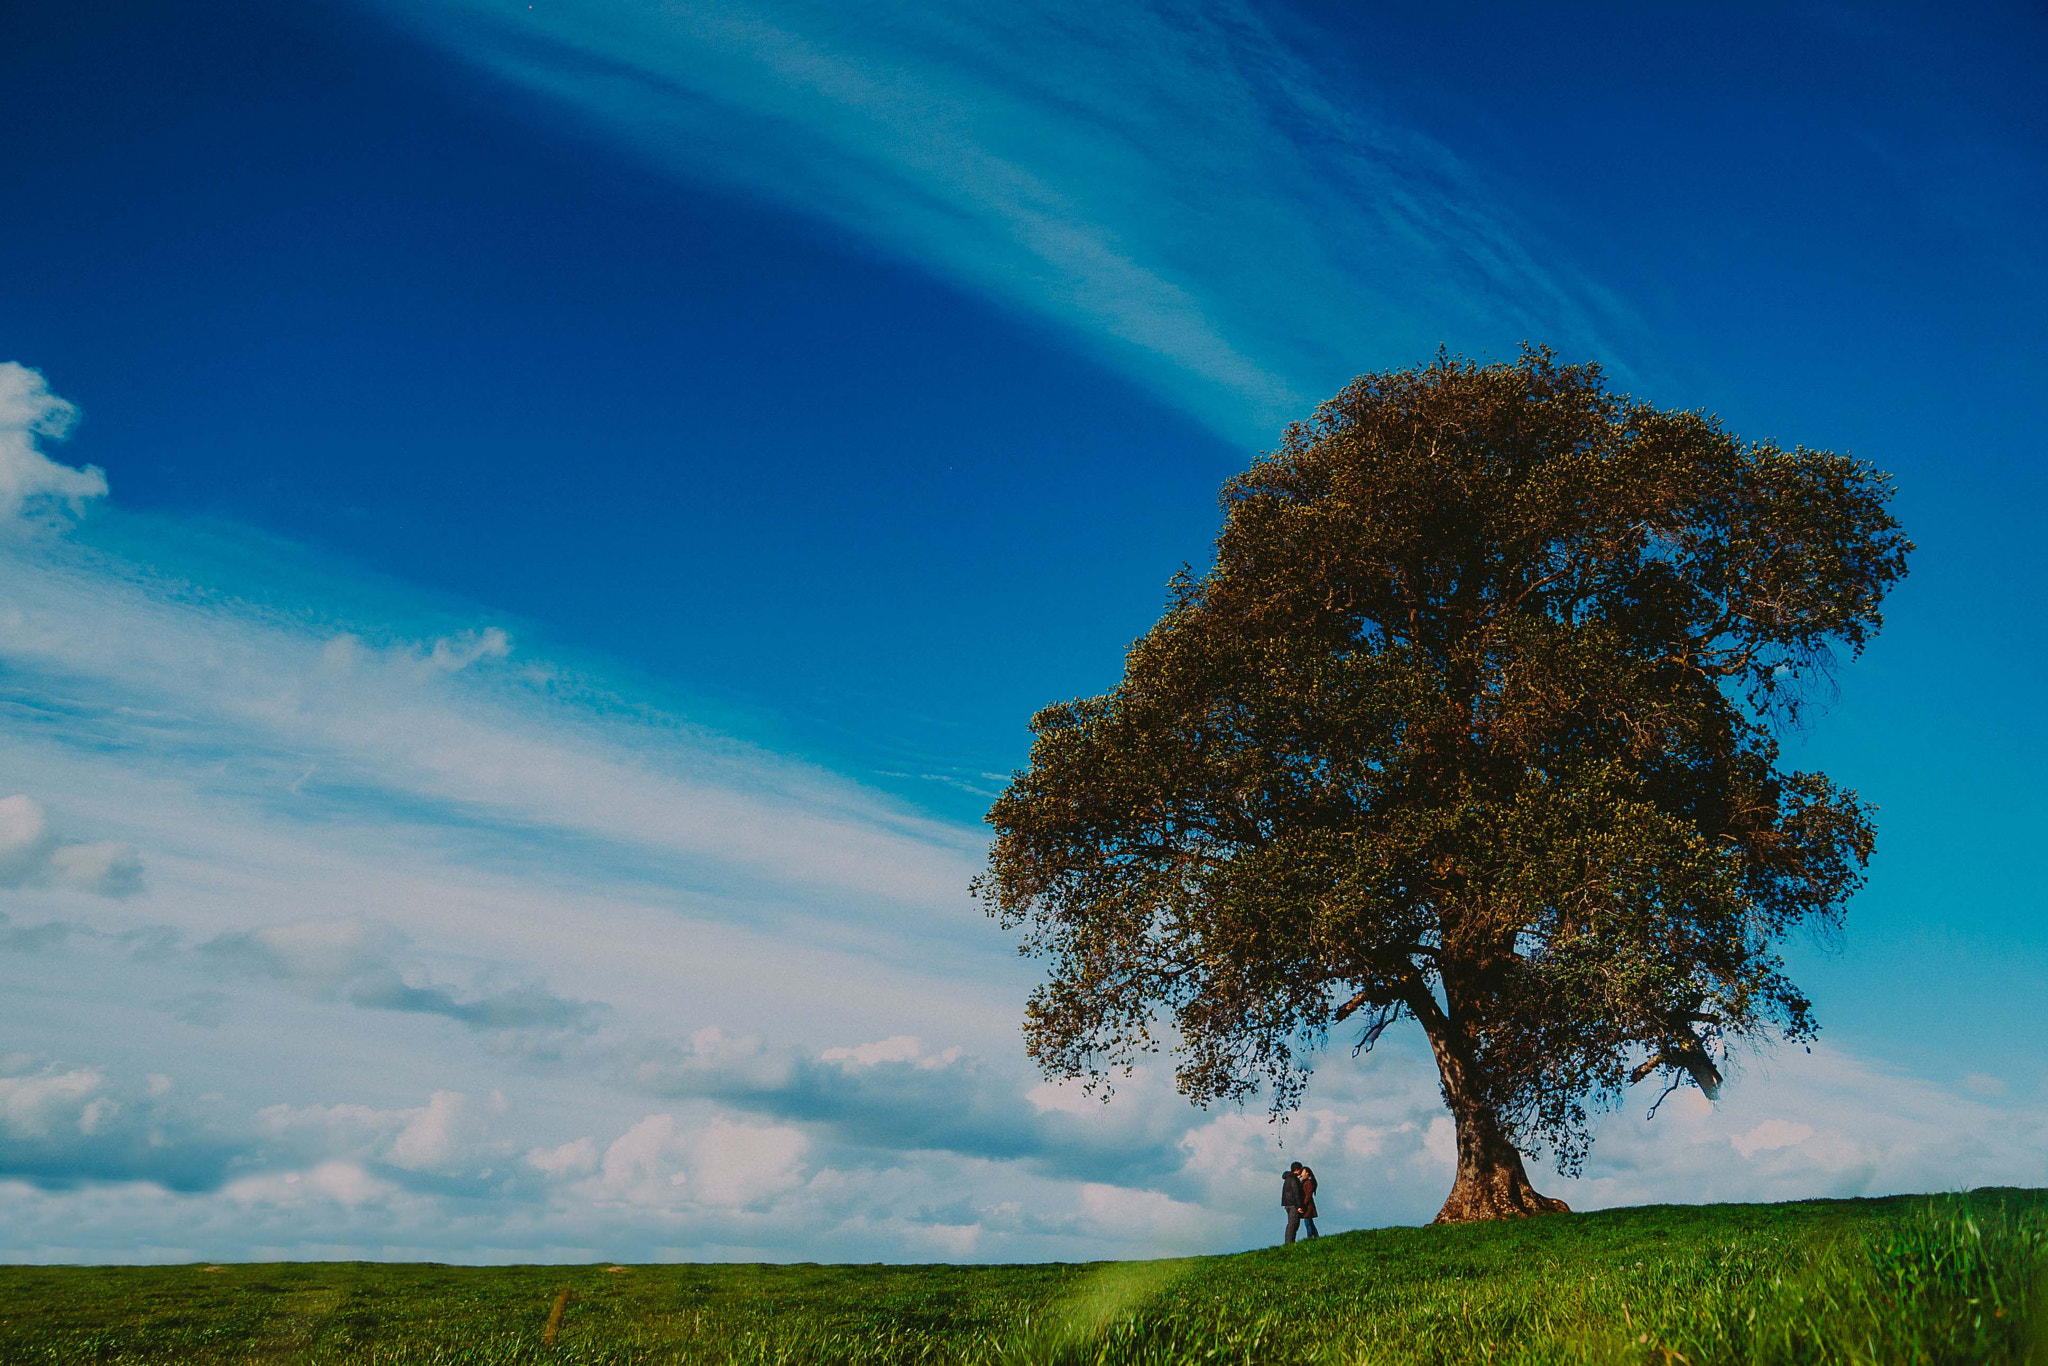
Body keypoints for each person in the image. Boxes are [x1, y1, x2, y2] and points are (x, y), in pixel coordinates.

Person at [1280, 1161, 1315, 1244]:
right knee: (1293, 1224)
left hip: (1288, 1204)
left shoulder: (1288, 1178)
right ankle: (1289, 1242)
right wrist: (1299, 1206)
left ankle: (1289, 1242)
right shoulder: (1294, 1179)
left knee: (1291, 1223)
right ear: (1297, 1169)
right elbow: (1296, 1193)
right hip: (1293, 1205)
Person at [1296, 1162, 1320, 1240]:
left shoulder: (1309, 1182)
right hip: (1308, 1204)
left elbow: (1308, 1195)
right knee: (1310, 1222)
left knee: (1308, 1222)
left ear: (1307, 1173)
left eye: (1303, 1171)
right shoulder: (1307, 1182)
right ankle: (1316, 1236)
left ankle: (1310, 1237)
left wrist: (1304, 1203)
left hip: (1307, 1205)